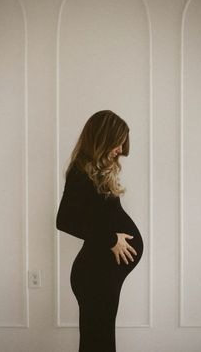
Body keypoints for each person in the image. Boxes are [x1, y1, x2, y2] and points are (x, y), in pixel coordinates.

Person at [56, 110, 144, 352]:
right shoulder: (80, 171)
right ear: (102, 137)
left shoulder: (94, 171)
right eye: (117, 142)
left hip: (102, 273)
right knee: (99, 341)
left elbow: (99, 218)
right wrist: (111, 239)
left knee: (100, 340)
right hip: (95, 275)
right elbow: (64, 220)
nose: (120, 149)